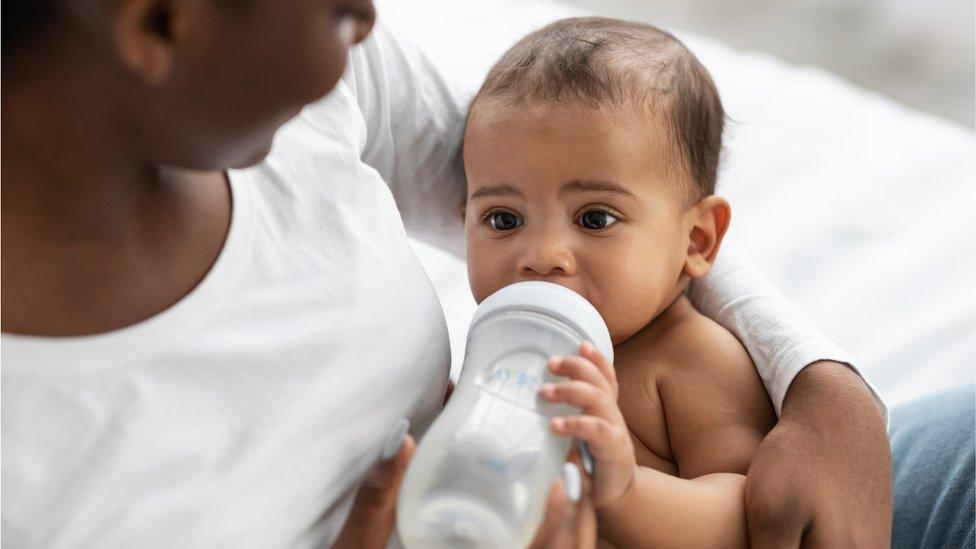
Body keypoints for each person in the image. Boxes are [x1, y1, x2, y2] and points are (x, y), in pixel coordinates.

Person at [4, 0, 963, 547]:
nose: (368, 15)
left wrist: (823, 385)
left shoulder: (319, 88)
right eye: (497, 222)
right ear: (159, 23)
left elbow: (609, 171)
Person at [462, 17, 777, 547]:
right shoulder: (500, 350)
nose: (541, 257)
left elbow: (747, 516)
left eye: (595, 219)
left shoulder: (693, 359)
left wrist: (626, 493)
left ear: (697, 240)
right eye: (503, 220)